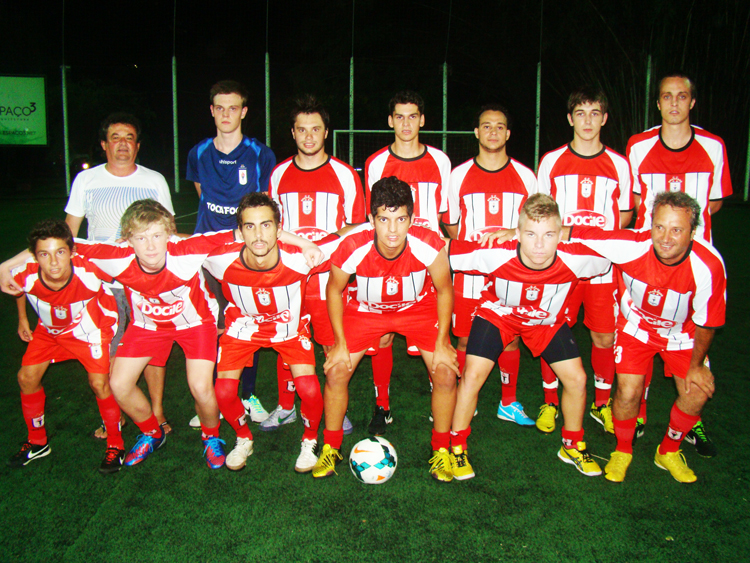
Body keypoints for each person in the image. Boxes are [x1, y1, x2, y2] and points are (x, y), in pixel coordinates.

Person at [448, 193, 611, 480]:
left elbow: (614, 246)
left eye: (549, 234)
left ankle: (572, 445)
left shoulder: (580, 259)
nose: (539, 244)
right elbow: (441, 249)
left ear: (561, 234)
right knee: (472, 375)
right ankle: (457, 447)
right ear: (518, 234)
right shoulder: (496, 252)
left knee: (577, 379)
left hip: (544, 321)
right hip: (499, 314)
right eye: (531, 234)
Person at [568, 191, 726, 483]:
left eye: (677, 229)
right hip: (636, 327)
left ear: (693, 232)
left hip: (682, 334)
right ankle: (623, 450)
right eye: (660, 226)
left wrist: (696, 365)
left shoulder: (709, 266)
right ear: (650, 224)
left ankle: (668, 450)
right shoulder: (631, 245)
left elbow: (708, 323)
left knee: (697, 390)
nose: (666, 237)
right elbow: (578, 232)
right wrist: (518, 232)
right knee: (628, 392)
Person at [313, 177, 460, 482]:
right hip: (367, 312)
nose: (392, 231)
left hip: (416, 310)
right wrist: (339, 342)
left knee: (445, 371)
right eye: (383, 219)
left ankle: (441, 450)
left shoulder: (429, 243)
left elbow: (444, 290)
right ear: (371, 219)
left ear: (412, 218)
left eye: (401, 219)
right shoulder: (353, 244)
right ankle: (331, 446)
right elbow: (333, 290)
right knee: (336, 370)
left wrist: (444, 340)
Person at [626, 72, 732, 455]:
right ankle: (638, 410)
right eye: (666, 97)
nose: (674, 104)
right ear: (658, 104)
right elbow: (637, 201)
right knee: (644, 328)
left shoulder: (713, 145)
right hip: (651, 258)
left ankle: (691, 421)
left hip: (693, 263)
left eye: (681, 96)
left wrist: (686, 237)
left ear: (692, 102)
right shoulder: (638, 145)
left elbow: (715, 203)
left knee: (692, 336)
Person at [202, 193, 338, 473]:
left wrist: (306, 243)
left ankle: (310, 440)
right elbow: (180, 251)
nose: (259, 234)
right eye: (250, 226)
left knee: (310, 390)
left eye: (266, 225)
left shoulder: (301, 259)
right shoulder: (220, 259)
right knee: (224, 390)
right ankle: (243, 438)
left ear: (279, 229)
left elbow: (348, 240)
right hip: (243, 326)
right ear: (239, 232)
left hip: (288, 328)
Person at [62, 112, 174, 438]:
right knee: (108, 348)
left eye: (128, 138)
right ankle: (116, 413)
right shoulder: (87, 181)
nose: (122, 144)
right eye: (115, 137)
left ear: (137, 146)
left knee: (151, 348)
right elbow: (69, 233)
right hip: (102, 283)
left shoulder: (154, 181)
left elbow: (168, 231)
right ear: (103, 144)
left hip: (145, 281)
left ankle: (157, 411)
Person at [535, 86, 632, 435]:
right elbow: (542, 214)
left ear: (604, 118)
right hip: (561, 266)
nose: (587, 121)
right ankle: (549, 402)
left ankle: (601, 404)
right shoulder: (551, 161)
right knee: (552, 330)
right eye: (580, 113)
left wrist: (595, 241)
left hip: (602, 268)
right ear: (569, 118)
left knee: (604, 337)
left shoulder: (619, 164)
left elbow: (623, 217)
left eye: (594, 113)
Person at [265, 95, 365, 433]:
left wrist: (323, 246)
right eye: (302, 130)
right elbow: (272, 225)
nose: (309, 136)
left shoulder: (345, 174)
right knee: (287, 340)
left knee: (331, 343)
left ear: (326, 133)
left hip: (329, 280)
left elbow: (356, 226)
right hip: (290, 278)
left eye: (316, 129)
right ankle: (285, 405)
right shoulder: (278, 174)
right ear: (293, 133)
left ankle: (333, 404)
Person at [187, 80, 277, 426]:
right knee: (210, 325)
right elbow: (202, 194)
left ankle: (246, 395)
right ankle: (212, 395)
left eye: (233, 107)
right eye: (219, 108)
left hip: (246, 254)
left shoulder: (260, 154)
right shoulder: (198, 153)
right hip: (208, 255)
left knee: (246, 323)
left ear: (244, 111)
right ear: (212, 111)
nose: (226, 114)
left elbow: (263, 203)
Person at [362, 90, 452, 435]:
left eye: (412, 116)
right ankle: (382, 406)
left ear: (423, 120)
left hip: (428, 262)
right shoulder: (375, 164)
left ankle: (438, 393)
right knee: (382, 337)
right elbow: (372, 218)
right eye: (399, 116)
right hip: (387, 261)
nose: (406, 123)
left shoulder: (441, 161)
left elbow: (444, 217)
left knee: (431, 336)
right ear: (390, 121)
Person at [443, 103, 538, 427]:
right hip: (469, 275)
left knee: (510, 336)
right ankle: (461, 395)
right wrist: (477, 247)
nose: (493, 131)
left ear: (508, 133)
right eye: (486, 125)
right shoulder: (458, 175)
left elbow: (535, 222)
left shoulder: (526, 175)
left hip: (511, 275)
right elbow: (453, 226)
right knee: (465, 338)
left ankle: (508, 402)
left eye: (500, 126)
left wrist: (513, 232)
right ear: (476, 132)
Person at [7, 220, 124, 474]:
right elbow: (17, 289)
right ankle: (37, 442)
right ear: (34, 256)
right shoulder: (23, 272)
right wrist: (23, 319)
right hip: (49, 332)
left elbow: (125, 270)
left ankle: (116, 443)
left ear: (71, 252)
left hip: (90, 330)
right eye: (44, 254)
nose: (53, 262)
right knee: (26, 378)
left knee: (99, 384)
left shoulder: (89, 270)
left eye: (60, 252)